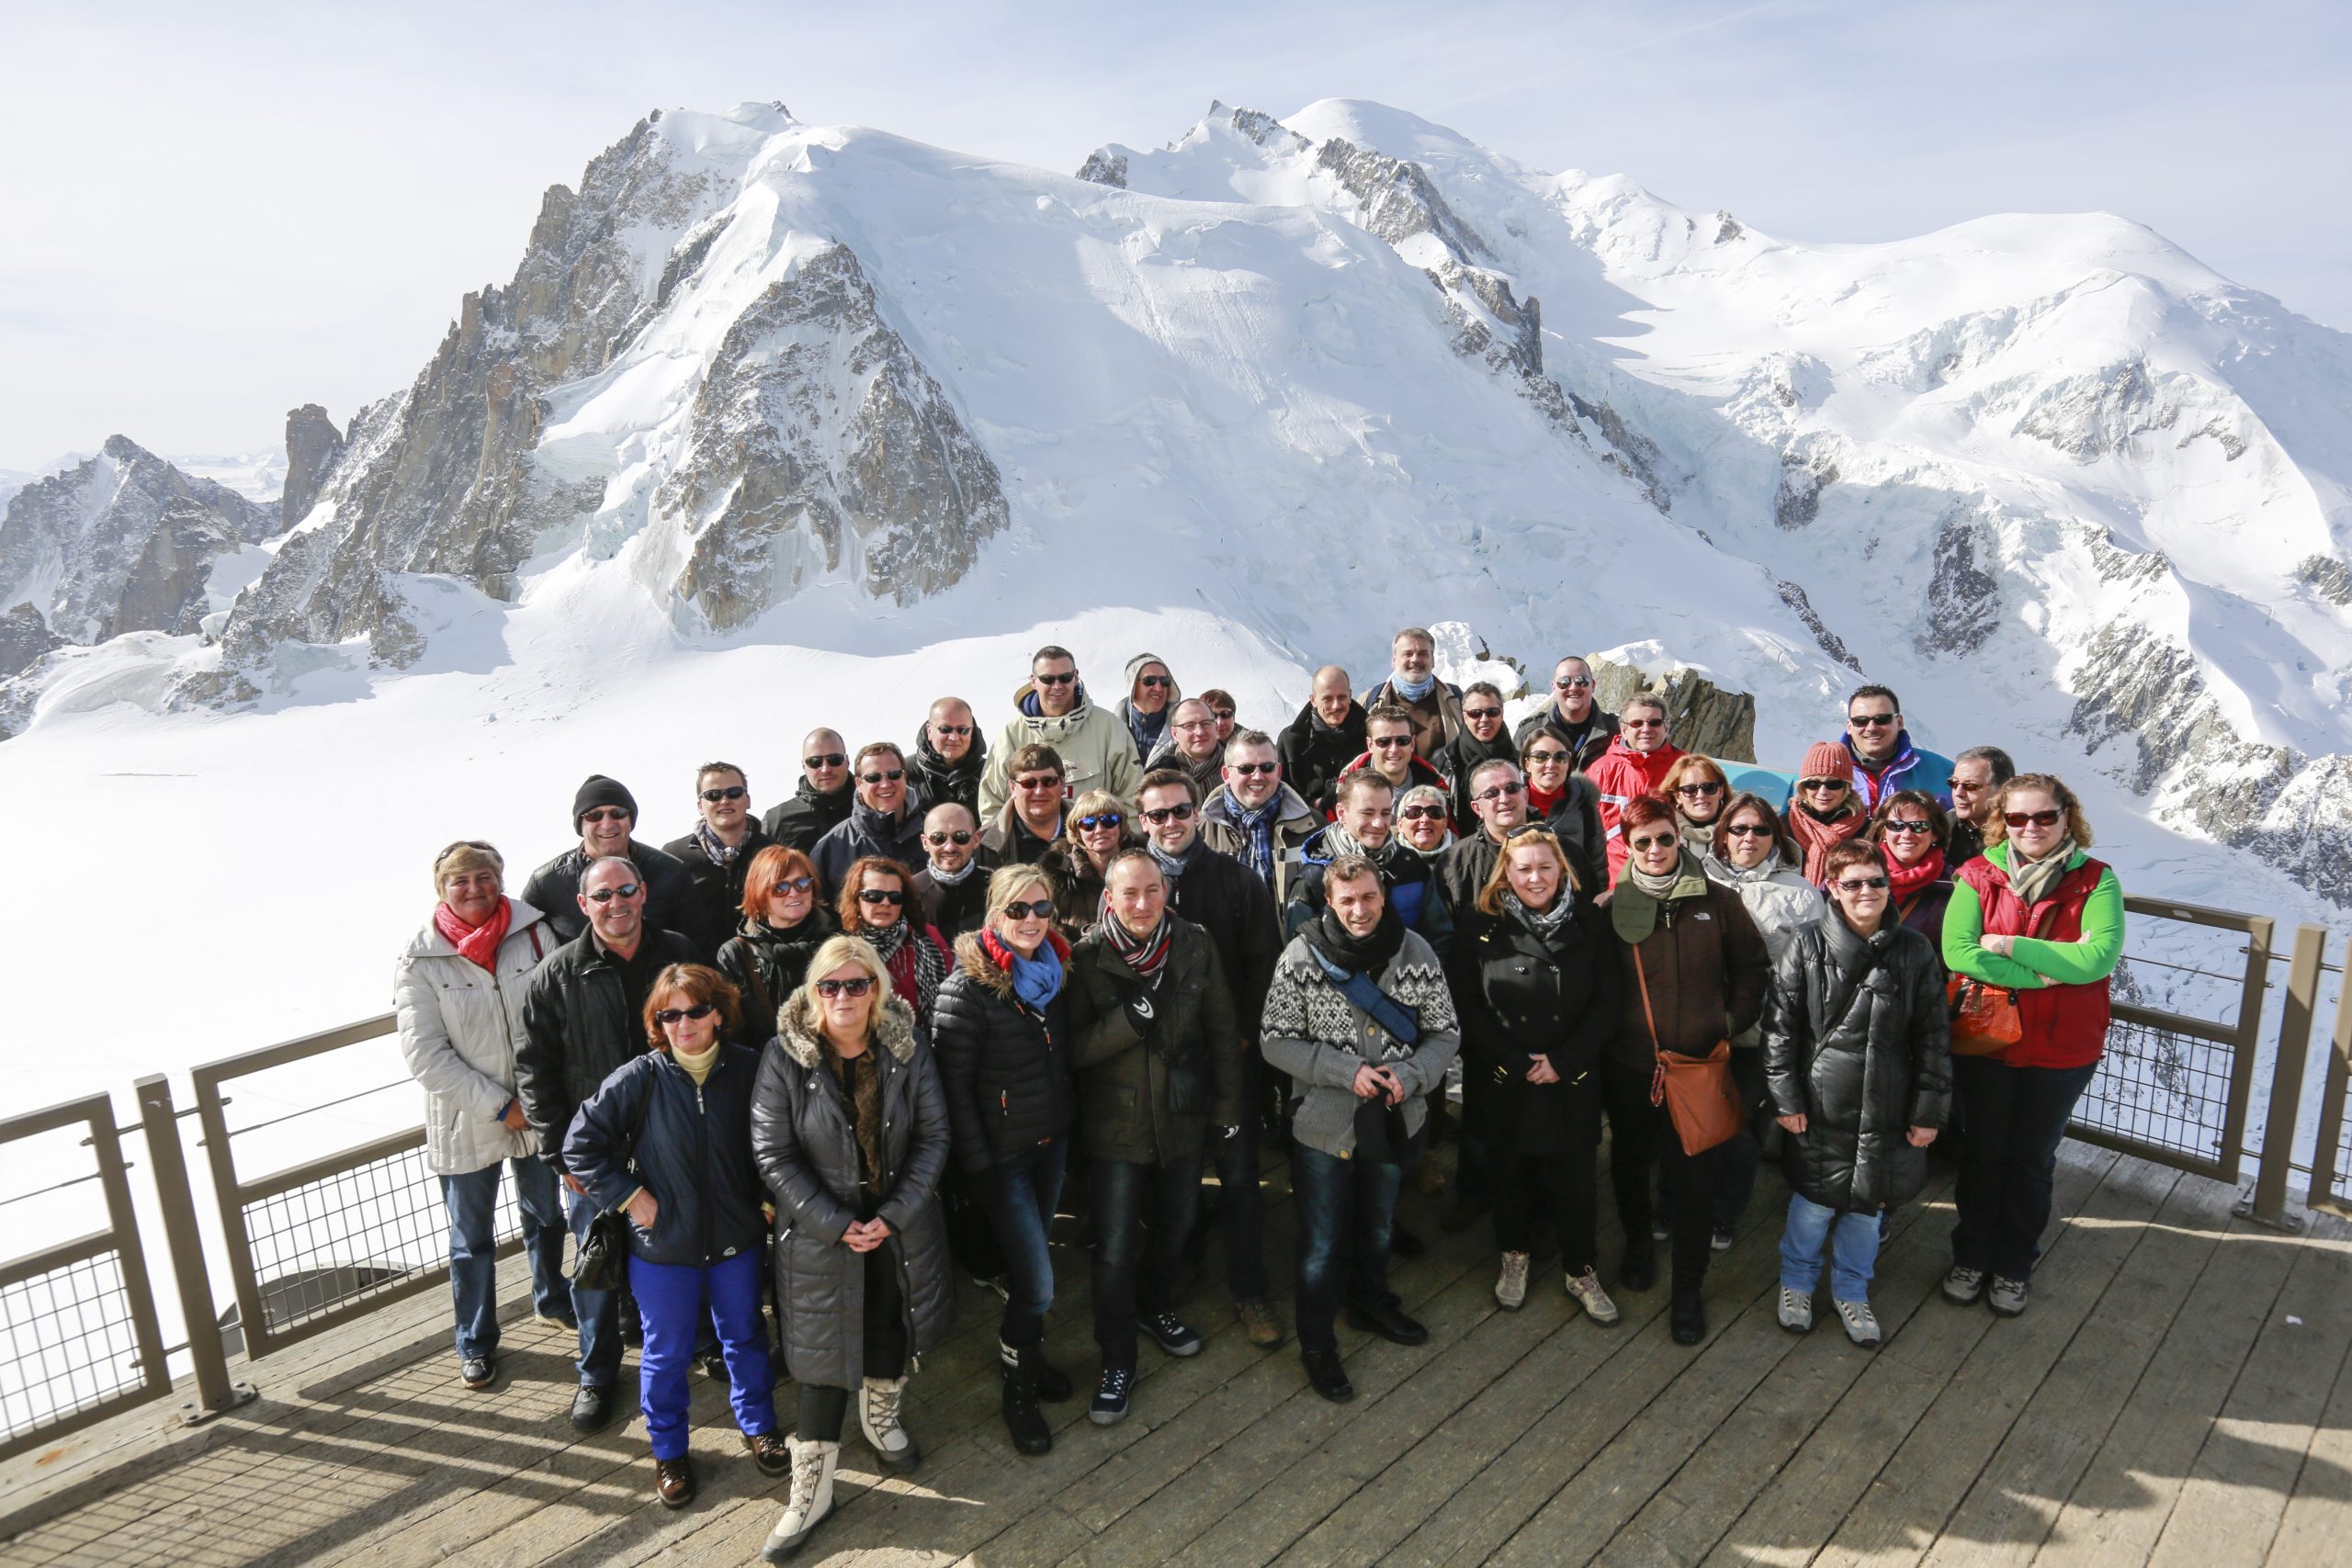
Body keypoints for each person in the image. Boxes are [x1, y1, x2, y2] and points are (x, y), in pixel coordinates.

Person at [751, 936, 955, 1557]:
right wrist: (834, 1222)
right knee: (818, 1355)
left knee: (890, 1325)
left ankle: (881, 1416)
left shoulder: (907, 1048)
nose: (843, 996)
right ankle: (812, 1487)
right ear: (814, 992)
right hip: (819, 1234)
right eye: (830, 985)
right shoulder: (784, 1056)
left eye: (856, 983)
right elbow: (773, 1153)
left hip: (897, 1226)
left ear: (877, 989)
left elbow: (934, 1136)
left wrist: (891, 1216)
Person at [562, 964, 781, 1508]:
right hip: (663, 1248)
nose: (684, 1023)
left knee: (746, 1336)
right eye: (670, 1014)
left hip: (736, 1237)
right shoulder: (640, 1076)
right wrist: (628, 1196)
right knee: (665, 1353)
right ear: (658, 1022)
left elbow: (778, 1139)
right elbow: (579, 1146)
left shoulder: (750, 1068)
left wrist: (770, 1196)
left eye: (696, 1010)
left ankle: (759, 1427)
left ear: (718, 1013)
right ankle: (670, 1453)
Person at [1261, 855, 1460, 1403]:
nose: (1358, 910)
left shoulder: (1415, 951)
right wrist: (1347, 1071)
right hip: (1325, 1127)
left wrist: (1412, 1074)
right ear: (1330, 901)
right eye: (1346, 900)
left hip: (1397, 1118)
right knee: (1321, 1243)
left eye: (1368, 897)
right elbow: (1275, 1040)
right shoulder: (1300, 956)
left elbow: (1445, 1032)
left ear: (1383, 896)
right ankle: (1317, 1342)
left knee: (1377, 1226)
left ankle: (1371, 1304)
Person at [516, 855, 698, 1430]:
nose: (616, 904)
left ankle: (702, 1343)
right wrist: (556, 1154)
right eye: (603, 896)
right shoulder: (556, 976)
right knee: (595, 1263)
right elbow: (536, 1071)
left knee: (684, 1243)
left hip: (672, 1138)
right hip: (594, 1153)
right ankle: (596, 1374)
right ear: (583, 905)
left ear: (643, 893)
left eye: (626, 891)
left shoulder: (677, 953)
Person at [1063, 852, 1244, 1422]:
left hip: (1183, 1117)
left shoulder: (1195, 944)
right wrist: (1132, 1019)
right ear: (1108, 898)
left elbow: (1222, 1032)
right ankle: (1117, 1357)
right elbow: (1074, 1050)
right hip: (1115, 1124)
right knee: (1115, 1249)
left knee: (1178, 1224)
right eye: (1129, 894)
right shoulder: (1085, 958)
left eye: (1152, 891)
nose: (1142, 905)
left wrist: (1229, 1112)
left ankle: (1154, 1306)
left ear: (1166, 891)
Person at [1941, 773, 2123, 1318]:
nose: (2031, 827)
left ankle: (2014, 1264)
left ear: (2067, 817)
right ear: (2003, 821)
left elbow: (2098, 959)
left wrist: (2009, 945)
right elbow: (1957, 951)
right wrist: (2042, 972)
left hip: (2063, 1049)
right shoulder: (1977, 874)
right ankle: (1971, 1256)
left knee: (2031, 1160)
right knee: (1983, 1154)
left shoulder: (2097, 880)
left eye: (2045, 816)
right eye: (2019, 818)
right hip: (1991, 1041)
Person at [395, 840, 567, 1392]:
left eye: (484, 877)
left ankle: (551, 1297)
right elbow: (426, 1054)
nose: (474, 889)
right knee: (472, 1238)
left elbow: (560, 1011)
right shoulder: (421, 958)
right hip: (466, 1119)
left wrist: (536, 1099)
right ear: (441, 889)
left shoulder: (535, 933)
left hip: (536, 1108)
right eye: (460, 880)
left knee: (545, 1214)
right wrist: (498, 1104)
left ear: (500, 879)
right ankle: (474, 1339)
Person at [1765, 840, 1951, 1348]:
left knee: (1867, 1210)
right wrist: (1786, 1100)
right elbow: (1780, 1030)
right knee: (1813, 1205)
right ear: (1832, 887)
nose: (1866, 891)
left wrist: (1928, 1111)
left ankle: (1852, 1291)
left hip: (1888, 1104)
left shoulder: (1913, 950)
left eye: (1875, 881)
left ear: (1889, 886)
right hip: (1821, 1100)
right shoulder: (1804, 945)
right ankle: (1797, 1284)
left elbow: (1934, 1036)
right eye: (1853, 883)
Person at [1606, 796, 1770, 1346]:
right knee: (1630, 1162)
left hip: (1698, 1065)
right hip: (1631, 1067)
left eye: (1665, 838)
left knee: (1696, 1177)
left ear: (1681, 838)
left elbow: (1752, 967)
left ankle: (1687, 1289)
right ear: (1627, 847)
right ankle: (1635, 1244)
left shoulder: (1718, 903)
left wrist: (1727, 1021)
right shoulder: (1610, 908)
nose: (1656, 850)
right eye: (1643, 841)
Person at [1133, 767, 1287, 1343]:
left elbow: (1263, 963)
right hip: (1159, 1060)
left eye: (1180, 811)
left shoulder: (1235, 878)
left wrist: (1243, 1037)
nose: (1170, 823)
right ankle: (1175, 1275)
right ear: (1141, 819)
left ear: (1198, 813)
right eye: (1157, 814)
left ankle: (1251, 1293)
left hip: (1228, 1056)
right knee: (1172, 1178)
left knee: (1241, 1176)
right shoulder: (1130, 882)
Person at [931, 866, 1078, 1455]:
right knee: (1038, 1283)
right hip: (1003, 1159)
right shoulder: (966, 988)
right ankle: (1017, 1387)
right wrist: (980, 1167)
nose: (1031, 920)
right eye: (1017, 910)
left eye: (1040, 908)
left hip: (1051, 1143)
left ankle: (1028, 1358)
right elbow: (954, 1089)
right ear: (994, 914)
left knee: (1028, 1273)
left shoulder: (1059, 972)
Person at [1450, 828, 1622, 1323]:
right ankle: (1514, 1256)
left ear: (1562, 870)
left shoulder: (1591, 922)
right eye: (1523, 868)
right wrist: (1516, 1060)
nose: (1535, 877)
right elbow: (1466, 1003)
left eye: (1545, 866)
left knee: (1576, 1181)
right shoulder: (1480, 925)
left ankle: (1581, 1268)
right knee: (1510, 1175)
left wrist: (1563, 1062)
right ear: (1506, 872)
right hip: (1506, 1072)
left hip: (1571, 1073)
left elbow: (1607, 1003)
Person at [1700, 793, 1826, 1247]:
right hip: (1699, 1028)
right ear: (1722, 834)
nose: (1748, 838)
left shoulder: (1800, 892)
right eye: (1738, 829)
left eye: (1760, 829)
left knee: (1736, 1126)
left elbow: (1816, 971)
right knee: (1689, 1121)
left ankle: (1724, 1213)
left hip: (1761, 1032)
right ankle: (1678, 1203)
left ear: (1776, 836)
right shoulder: (1694, 879)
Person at [522, 774, 708, 956]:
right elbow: (519, 950)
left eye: (617, 814)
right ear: (580, 824)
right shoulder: (546, 883)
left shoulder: (670, 872)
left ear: (630, 820)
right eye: (594, 816)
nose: (607, 824)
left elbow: (698, 948)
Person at [1288, 773, 1452, 953]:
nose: (1379, 823)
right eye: (1367, 813)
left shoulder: (1413, 867)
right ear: (1341, 813)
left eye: (1385, 813)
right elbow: (1301, 955)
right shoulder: (1313, 879)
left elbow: (1439, 941)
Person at [978, 646, 1141, 818]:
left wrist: (1124, 841)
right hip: (1028, 844)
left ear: (1076, 677)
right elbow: (992, 803)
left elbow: (1131, 796)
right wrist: (1001, 842)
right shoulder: (1011, 735)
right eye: (1047, 679)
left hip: (1094, 839)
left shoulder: (1110, 728)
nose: (1057, 686)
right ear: (1033, 681)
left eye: (1065, 678)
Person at [716, 846, 841, 1045]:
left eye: (802, 883)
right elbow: (733, 1032)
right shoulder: (737, 954)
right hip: (765, 1068)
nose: (793, 893)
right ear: (759, 893)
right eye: (780, 888)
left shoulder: (841, 943)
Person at [1199, 728, 1321, 907]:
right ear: (1226, 774)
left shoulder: (1313, 826)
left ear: (1278, 772)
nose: (1257, 776)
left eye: (1267, 767)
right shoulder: (1200, 831)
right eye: (1246, 768)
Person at [662, 761, 774, 952]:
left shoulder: (771, 852)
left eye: (734, 793)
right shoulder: (674, 857)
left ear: (747, 799)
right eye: (713, 795)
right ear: (700, 805)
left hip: (761, 968)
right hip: (697, 971)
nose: (724, 800)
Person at [837, 856, 951, 1034]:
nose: (885, 903)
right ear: (856, 898)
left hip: (921, 1044)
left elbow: (949, 1001)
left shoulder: (926, 937)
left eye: (895, 897)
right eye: (873, 896)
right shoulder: (842, 947)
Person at [1588, 694, 1686, 880]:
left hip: (1674, 879)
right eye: (1637, 723)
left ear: (1667, 727)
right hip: (1615, 883)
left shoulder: (1686, 768)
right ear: (1624, 729)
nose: (1646, 729)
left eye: (1654, 722)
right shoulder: (1600, 771)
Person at [812, 743, 928, 894]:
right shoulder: (830, 848)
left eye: (894, 774)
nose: (885, 784)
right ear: (859, 784)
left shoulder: (939, 835)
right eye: (873, 778)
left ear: (904, 776)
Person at [1438, 758, 1532, 919]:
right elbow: (1442, 931)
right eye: (1491, 793)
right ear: (1477, 808)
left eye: (1512, 788)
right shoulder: (1454, 862)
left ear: (1526, 795)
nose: (1504, 798)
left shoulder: (1560, 850)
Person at [1041, 789, 1136, 942]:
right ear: (1077, 831)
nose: (1099, 830)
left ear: (1121, 825)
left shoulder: (1144, 866)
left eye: (1108, 820)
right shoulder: (1056, 874)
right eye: (1088, 824)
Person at [1842, 684, 1954, 814]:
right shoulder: (1825, 776)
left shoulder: (1944, 772)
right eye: (1860, 721)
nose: (1871, 728)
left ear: (1899, 722)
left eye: (1882, 719)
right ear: (1849, 726)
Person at [1358, 626, 1463, 762]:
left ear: (1433, 660)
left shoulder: (1456, 699)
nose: (1415, 659)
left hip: (1442, 783)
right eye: (1408, 654)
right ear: (1394, 660)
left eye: (1423, 654)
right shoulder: (1369, 701)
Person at [1872, 789, 1957, 956]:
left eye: (1919, 826)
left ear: (1935, 834)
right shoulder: (1855, 877)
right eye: (1896, 826)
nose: (1906, 835)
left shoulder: (1954, 884)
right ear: (1883, 831)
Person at [1521, 728, 1606, 890]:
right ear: (1527, 764)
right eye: (1540, 757)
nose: (1551, 765)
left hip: (1576, 904)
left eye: (1560, 757)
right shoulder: (1509, 806)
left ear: (1568, 764)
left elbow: (1597, 868)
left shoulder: (1585, 808)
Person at [1279, 665, 1367, 818]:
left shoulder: (1370, 736)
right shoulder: (1291, 740)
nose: (1336, 705)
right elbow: (1277, 791)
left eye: (1342, 697)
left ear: (1350, 695)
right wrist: (1314, 805)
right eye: (1327, 698)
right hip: (1303, 826)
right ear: (1313, 700)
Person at [1515, 655, 1621, 771]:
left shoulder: (1617, 732)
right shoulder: (1529, 732)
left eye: (1581, 681)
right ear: (1553, 687)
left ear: (1593, 685)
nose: (1573, 687)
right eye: (1564, 682)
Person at [1785, 742, 1870, 885]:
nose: (1823, 792)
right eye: (1813, 784)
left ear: (1846, 787)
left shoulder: (1867, 831)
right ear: (1803, 787)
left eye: (1833, 784)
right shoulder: (1784, 826)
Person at [763, 731, 856, 852]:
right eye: (815, 762)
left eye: (834, 759)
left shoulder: (870, 813)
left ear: (847, 761)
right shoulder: (777, 820)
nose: (825, 769)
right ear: (803, 766)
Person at [913, 803, 995, 940]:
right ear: (925, 842)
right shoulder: (911, 891)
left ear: (976, 839)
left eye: (960, 837)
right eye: (938, 838)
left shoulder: (995, 886)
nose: (949, 847)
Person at [1441, 682, 1518, 826]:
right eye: (1475, 713)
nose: (1484, 719)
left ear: (1501, 713)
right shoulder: (1445, 762)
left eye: (1492, 712)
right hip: (1462, 845)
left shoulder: (1521, 762)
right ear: (1465, 716)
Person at [1338, 703, 1448, 803]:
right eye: (1384, 742)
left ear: (1412, 744)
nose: (1394, 749)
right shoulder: (1344, 789)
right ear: (1370, 745)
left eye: (1402, 741)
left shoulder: (1435, 786)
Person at [981, 743, 1069, 865]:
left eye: (1048, 781)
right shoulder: (985, 844)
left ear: (1062, 784)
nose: (1039, 791)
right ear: (1013, 788)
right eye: (1028, 783)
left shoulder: (1091, 828)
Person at [910, 698, 987, 817]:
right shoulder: (902, 775)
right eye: (945, 729)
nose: (954, 737)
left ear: (972, 731)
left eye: (963, 730)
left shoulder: (991, 774)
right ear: (929, 731)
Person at [1146, 697, 1227, 805]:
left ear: (1216, 727)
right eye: (1189, 726)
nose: (1199, 732)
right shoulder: (1159, 777)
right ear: (1174, 734)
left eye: (1206, 723)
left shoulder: (1241, 766)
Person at [1945, 745, 2015, 867]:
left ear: (2002, 788)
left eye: (1970, 786)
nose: (1958, 793)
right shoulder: (1944, 824)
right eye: (1954, 784)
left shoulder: (2018, 832)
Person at [1661, 754, 1732, 856]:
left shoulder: (1742, 831)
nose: (1701, 795)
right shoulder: (1662, 832)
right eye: (1690, 789)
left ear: (1720, 791)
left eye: (1708, 787)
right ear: (1677, 796)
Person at [1118, 653, 1180, 765]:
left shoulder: (1186, 726)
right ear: (1132, 685)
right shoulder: (1107, 728)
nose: (1158, 688)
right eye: (1149, 681)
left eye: (1164, 681)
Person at [1393, 783, 1454, 863]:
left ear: (1444, 824)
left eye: (1434, 812)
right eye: (1414, 813)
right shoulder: (1385, 860)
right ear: (1400, 825)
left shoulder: (1462, 859)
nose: (1425, 819)